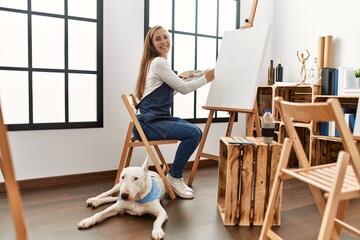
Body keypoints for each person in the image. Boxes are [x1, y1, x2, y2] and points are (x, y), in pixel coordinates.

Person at [133, 25, 215, 199]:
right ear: (151, 44)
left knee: (193, 131)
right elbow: (184, 89)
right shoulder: (159, 63)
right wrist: (206, 79)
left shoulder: (155, 63)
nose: (163, 41)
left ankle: (174, 176)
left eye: (165, 37)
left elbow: (171, 90)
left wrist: (185, 78)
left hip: (153, 120)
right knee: (193, 133)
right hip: (149, 124)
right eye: (158, 39)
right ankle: (174, 176)